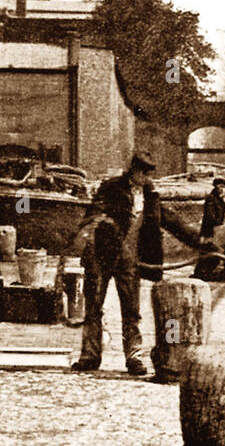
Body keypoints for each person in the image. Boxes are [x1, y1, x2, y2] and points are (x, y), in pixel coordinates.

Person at [69, 150, 212, 375]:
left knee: (132, 310)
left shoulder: (150, 195)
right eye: (142, 173)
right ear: (132, 170)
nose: (145, 177)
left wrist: (203, 242)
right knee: (94, 308)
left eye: (148, 174)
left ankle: (134, 357)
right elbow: (92, 215)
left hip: (130, 259)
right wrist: (99, 226)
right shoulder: (111, 187)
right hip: (100, 255)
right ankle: (89, 355)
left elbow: (172, 221)